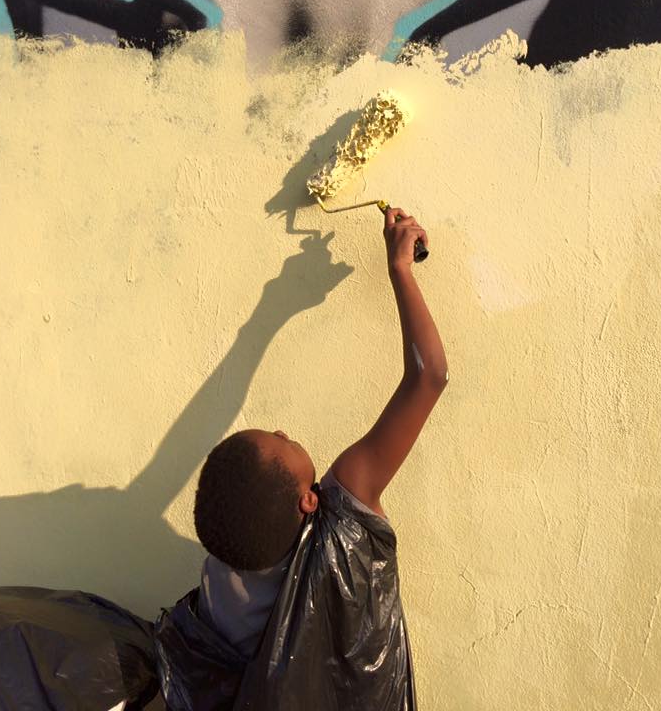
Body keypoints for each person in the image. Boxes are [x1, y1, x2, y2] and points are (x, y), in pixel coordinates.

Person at [155, 207, 449, 710]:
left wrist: (264, 319)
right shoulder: (341, 534)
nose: (283, 431)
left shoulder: (222, 577)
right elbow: (429, 377)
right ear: (310, 502)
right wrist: (400, 267)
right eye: (284, 444)